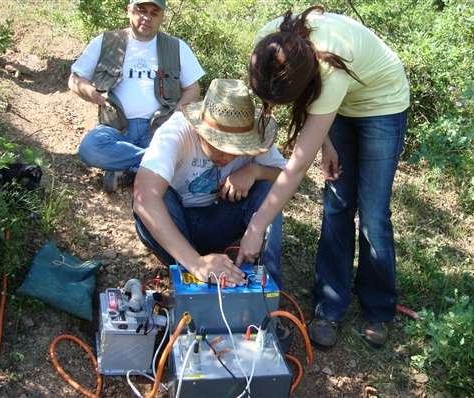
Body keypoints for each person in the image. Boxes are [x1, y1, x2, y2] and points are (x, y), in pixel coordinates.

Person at [238, 6, 410, 348]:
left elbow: (297, 166)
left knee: (373, 214)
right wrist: (326, 141)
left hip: (382, 104)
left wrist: (257, 227)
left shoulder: (330, 62)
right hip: (336, 104)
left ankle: (378, 309)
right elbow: (311, 101)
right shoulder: (268, 48)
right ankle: (330, 305)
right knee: (336, 206)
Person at [133, 79, 285, 289]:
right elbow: (144, 198)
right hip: (177, 225)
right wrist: (196, 263)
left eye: (236, 148)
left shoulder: (254, 134)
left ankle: (267, 291)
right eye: (219, 145)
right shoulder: (176, 132)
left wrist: (255, 171)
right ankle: (190, 273)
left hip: (218, 221)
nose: (227, 156)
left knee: (269, 191)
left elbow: (286, 178)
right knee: (160, 194)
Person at [68, 0, 204, 192]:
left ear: (162, 17)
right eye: (141, 10)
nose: (147, 17)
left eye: (154, 13)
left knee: (179, 144)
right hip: (116, 129)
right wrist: (91, 93)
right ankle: (157, 163)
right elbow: (75, 79)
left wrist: (176, 114)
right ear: (129, 10)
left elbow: (193, 89)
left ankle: (128, 171)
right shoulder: (106, 42)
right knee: (90, 148)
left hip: (158, 130)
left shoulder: (177, 47)